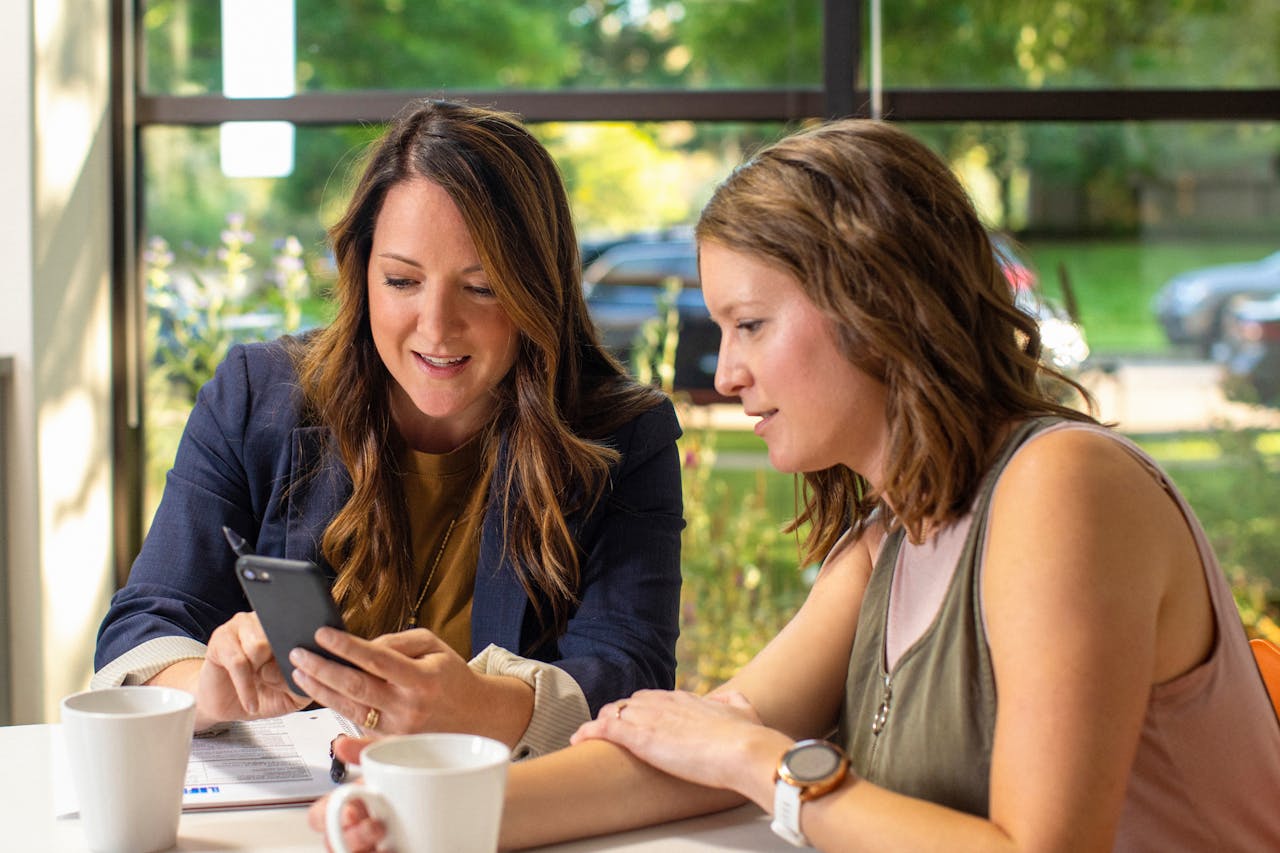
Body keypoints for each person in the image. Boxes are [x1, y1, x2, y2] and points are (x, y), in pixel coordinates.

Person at [318, 117, 1280, 852]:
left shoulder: (1064, 488)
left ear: (875, 306)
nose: (726, 373)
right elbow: (691, 755)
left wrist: (761, 764)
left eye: (752, 325)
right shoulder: (892, 538)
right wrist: (422, 806)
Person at [94, 99, 685, 758]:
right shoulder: (255, 396)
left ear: (536, 289)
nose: (435, 327)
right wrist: (205, 687)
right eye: (402, 280)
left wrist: (482, 706)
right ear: (361, 272)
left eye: (483, 287)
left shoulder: (627, 435)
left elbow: (632, 677)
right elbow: (141, 627)